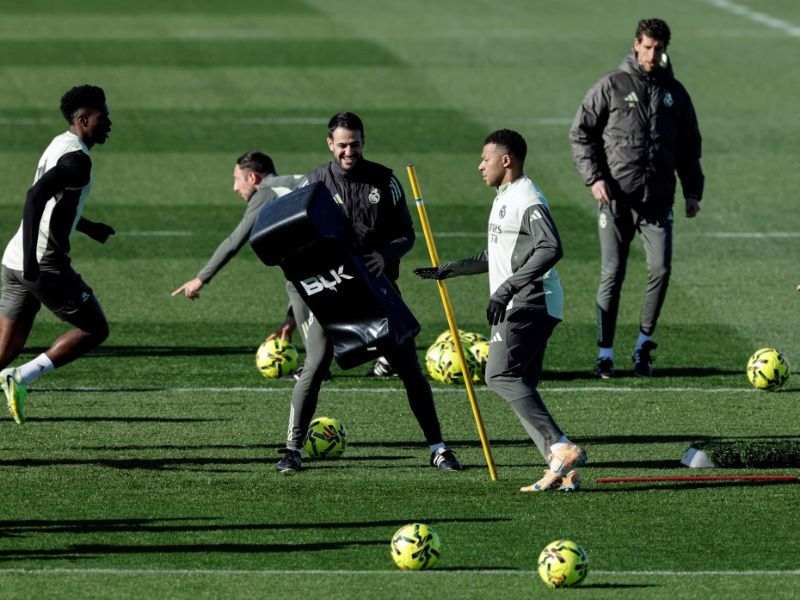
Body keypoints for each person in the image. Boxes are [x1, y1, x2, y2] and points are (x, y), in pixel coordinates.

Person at [276, 111, 461, 474]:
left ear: (363, 142)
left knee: (408, 366)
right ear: (330, 144)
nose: (349, 151)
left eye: (355, 144)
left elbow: (406, 234)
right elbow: (294, 241)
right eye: (342, 145)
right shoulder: (313, 183)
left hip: (378, 289)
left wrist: (384, 254)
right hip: (331, 290)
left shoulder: (385, 181)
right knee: (315, 365)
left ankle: (438, 449)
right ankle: (292, 450)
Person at [415, 129, 586, 492]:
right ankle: (562, 469)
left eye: (485, 159)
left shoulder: (527, 197)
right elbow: (497, 255)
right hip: (530, 302)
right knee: (520, 383)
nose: (480, 166)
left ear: (505, 161)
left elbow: (551, 246)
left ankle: (561, 446)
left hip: (529, 302)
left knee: (499, 375)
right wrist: (453, 268)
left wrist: (507, 288)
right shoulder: (504, 197)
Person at [569, 18, 704, 378]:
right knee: (613, 273)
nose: (652, 54)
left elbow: (690, 147)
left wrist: (693, 191)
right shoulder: (612, 85)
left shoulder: (675, 93)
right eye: (647, 47)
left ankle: (643, 345)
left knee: (660, 269)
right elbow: (580, 133)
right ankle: (604, 353)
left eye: (659, 48)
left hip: (658, 201)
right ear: (635, 45)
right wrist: (594, 178)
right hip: (615, 199)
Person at [0, 85, 114, 424]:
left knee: (5, 349)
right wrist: (35, 264)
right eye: (102, 118)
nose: (108, 123)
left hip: (14, 258)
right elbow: (35, 197)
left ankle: (12, 372)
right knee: (94, 328)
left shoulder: (60, 143)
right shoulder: (77, 160)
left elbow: (54, 202)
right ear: (82, 120)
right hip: (41, 263)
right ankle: (21, 377)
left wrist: (88, 225)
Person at [172, 151, 309, 348]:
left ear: (253, 178)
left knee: (302, 289)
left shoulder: (265, 192)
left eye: (237, 179)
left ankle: (316, 369)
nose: (235, 187)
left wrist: (200, 278)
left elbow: (234, 241)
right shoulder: (290, 183)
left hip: (329, 251)